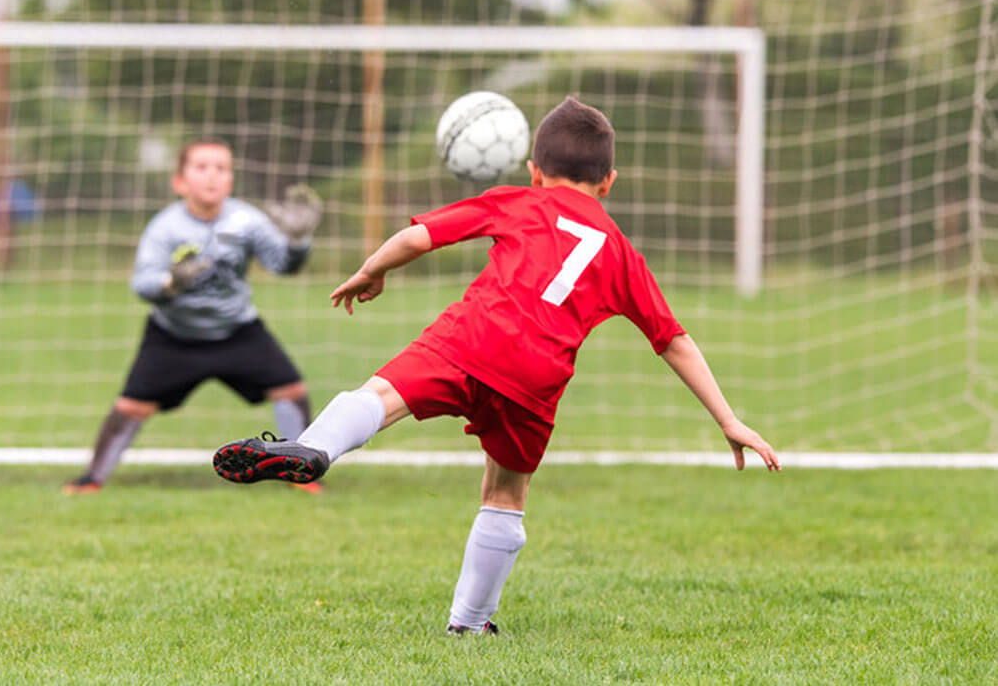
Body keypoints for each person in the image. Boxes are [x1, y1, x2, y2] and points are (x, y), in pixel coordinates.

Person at [212, 97, 781, 634]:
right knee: (506, 493)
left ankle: (316, 447)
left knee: (382, 396)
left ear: (534, 170)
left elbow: (420, 236)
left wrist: (371, 270)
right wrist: (727, 418)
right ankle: (469, 623)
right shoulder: (619, 250)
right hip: (537, 379)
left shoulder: (518, 200)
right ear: (609, 182)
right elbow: (672, 339)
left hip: (472, 339)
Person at [65, 138, 324, 495]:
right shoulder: (165, 227)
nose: (212, 176)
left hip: (238, 331)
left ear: (231, 180)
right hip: (174, 337)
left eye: (221, 168)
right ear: (180, 181)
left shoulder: (247, 220)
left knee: (291, 390)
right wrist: (171, 282)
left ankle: (301, 476)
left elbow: (283, 266)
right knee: (131, 407)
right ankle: (91, 479)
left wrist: (297, 242)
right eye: (201, 168)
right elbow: (141, 284)